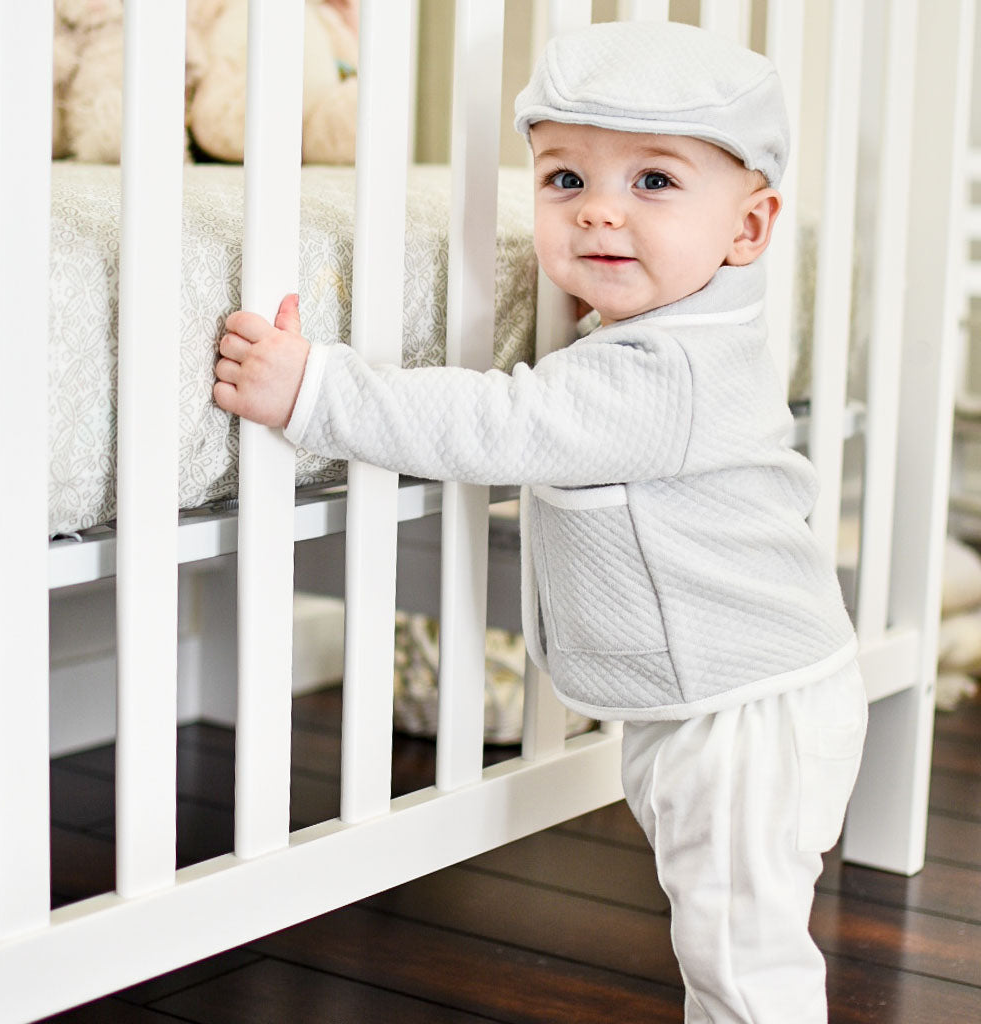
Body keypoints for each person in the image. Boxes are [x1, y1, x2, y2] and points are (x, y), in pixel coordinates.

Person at [213, 20, 866, 1024]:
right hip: (725, 695)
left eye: (652, 182)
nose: (600, 213)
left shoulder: (667, 371)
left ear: (747, 227)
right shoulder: (678, 328)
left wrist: (317, 392)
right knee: (727, 931)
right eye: (566, 180)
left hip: (741, 712)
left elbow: (499, 421)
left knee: (739, 952)